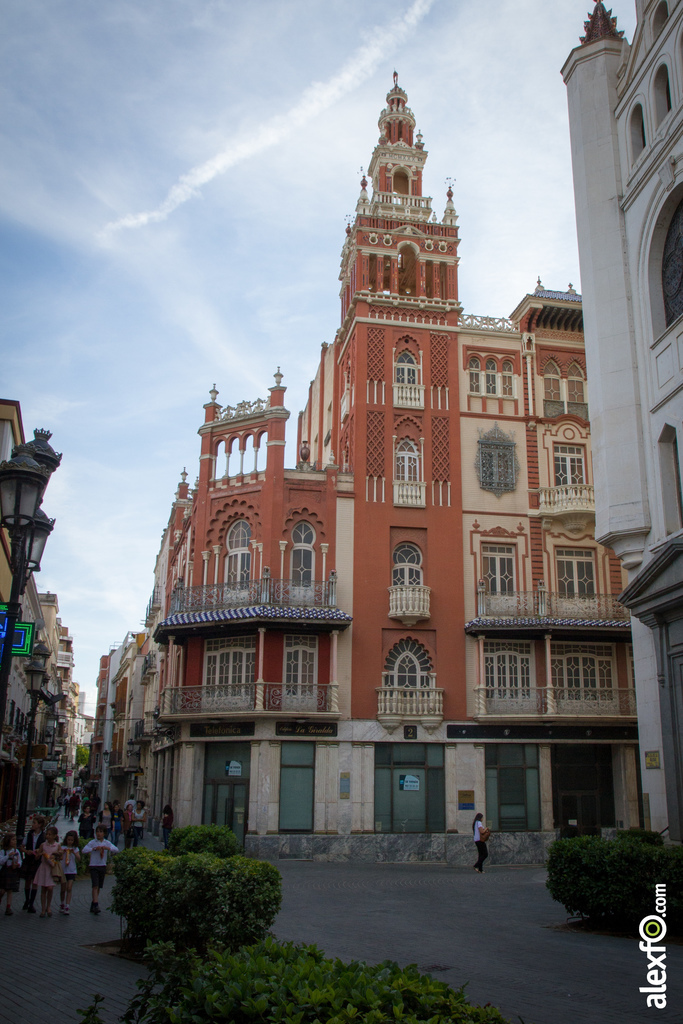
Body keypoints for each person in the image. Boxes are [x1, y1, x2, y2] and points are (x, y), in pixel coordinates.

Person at [82, 825, 119, 914]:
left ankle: (93, 902)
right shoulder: (93, 842)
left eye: (101, 832)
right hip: (94, 865)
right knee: (95, 885)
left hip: (102, 865)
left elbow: (116, 849)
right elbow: (84, 850)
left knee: (98, 886)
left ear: (104, 833)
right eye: (97, 832)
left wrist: (108, 848)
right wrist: (94, 849)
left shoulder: (106, 843)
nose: (99, 834)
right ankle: (96, 904)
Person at [33, 825, 61, 917]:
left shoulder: (57, 845)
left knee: (50, 888)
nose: (48, 836)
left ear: (54, 836)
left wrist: (55, 855)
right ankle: (43, 908)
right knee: (44, 888)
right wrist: (39, 854)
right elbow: (37, 857)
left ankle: (49, 906)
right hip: (44, 867)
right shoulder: (43, 845)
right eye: (47, 834)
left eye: (50, 834)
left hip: (51, 868)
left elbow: (60, 856)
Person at [20, 815, 46, 913]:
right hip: (28, 859)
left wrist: (39, 853)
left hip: (37, 860)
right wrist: (26, 851)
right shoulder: (29, 834)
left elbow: (44, 848)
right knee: (27, 881)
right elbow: (22, 846)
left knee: (34, 881)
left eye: (34, 823)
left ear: (39, 825)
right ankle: (27, 900)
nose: (32, 825)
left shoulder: (43, 836)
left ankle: (31, 903)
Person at [59, 830, 81, 915]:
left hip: (71, 870)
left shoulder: (75, 849)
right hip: (63, 870)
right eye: (68, 840)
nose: (70, 842)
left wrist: (74, 853)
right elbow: (60, 857)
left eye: (72, 840)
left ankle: (67, 905)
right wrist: (62, 853)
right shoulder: (63, 847)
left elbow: (79, 859)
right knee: (63, 888)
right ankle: (62, 903)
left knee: (69, 888)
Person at [0, 834, 23, 915]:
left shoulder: (17, 851)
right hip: (5, 872)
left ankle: (8, 907)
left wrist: (18, 865)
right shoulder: (3, 851)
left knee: (10, 890)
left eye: (15, 840)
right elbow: (1, 861)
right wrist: (8, 856)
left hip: (12, 871)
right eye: (13, 840)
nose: (15, 841)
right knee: (2, 890)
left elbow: (20, 861)